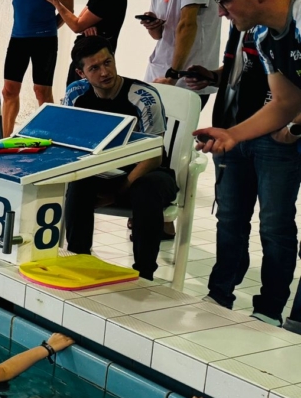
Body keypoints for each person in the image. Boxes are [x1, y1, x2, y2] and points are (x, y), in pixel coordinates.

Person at [189, 26, 301, 331]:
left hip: (274, 139)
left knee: (275, 225)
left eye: (226, 3)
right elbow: (247, 68)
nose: (221, 11)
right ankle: (220, 291)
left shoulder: (286, 24)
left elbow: (288, 92)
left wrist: (296, 125)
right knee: (230, 220)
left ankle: (270, 307)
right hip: (231, 129)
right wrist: (213, 76)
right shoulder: (248, 26)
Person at [61, 36, 177, 281]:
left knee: (146, 189)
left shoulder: (143, 97)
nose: (105, 72)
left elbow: (154, 155)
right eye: (94, 68)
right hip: (103, 169)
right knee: (79, 184)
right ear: (81, 72)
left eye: (108, 62)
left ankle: (144, 274)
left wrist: (117, 192)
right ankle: (78, 260)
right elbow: (73, 144)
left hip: (149, 170)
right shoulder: (76, 93)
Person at [194, 0, 301, 157]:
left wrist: (293, 127)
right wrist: (232, 135)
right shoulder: (262, 35)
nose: (220, 12)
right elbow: (285, 102)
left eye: (224, 2)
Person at [0, 0, 66, 138]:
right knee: (9, 90)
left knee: (42, 92)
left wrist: (47, 27)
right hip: (18, 38)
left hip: (45, 39)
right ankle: (5, 140)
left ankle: (49, 137)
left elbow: (67, 11)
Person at [141, 0, 221, 106]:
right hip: (157, 72)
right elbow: (158, 35)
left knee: (171, 121)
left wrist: (172, 77)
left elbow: (188, 25)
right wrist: (153, 25)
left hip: (187, 78)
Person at [44, 0, 127, 85]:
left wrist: (56, 3)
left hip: (93, 58)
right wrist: (84, 25)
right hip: (88, 55)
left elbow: (76, 26)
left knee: (84, 92)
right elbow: (78, 20)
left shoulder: (103, 2)